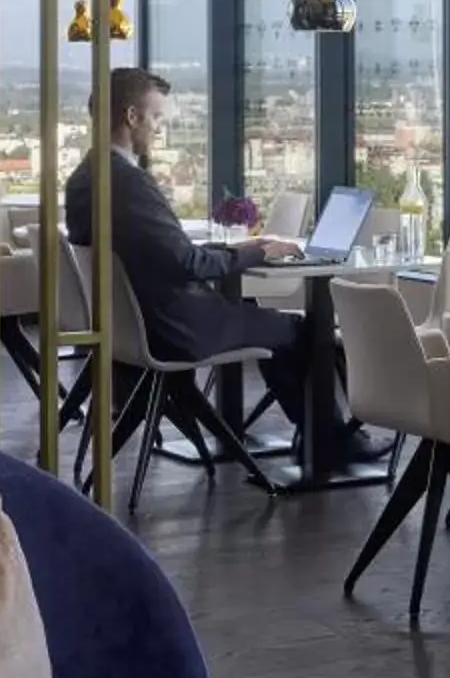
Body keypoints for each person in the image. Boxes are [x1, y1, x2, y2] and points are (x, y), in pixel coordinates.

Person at [64, 67, 385, 467]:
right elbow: (187, 262)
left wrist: (242, 248)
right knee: (300, 332)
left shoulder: (84, 178)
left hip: (133, 326)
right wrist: (259, 252)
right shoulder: (128, 183)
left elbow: (161, 251)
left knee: (264, 321)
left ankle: (318, 436)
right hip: (175, 328)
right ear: (132, 117)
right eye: (157, 118)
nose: (160, 130)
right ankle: (330, 444)